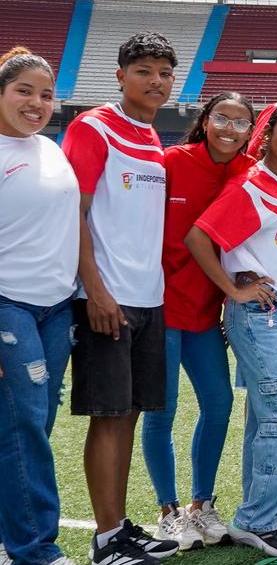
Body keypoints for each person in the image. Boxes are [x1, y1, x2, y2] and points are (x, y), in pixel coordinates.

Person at [62, 32, 182, 565]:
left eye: (164, 73)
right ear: (119, 75)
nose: (155, 81)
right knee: (109, 417)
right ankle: (107, 540)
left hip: (148, 296)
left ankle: (119, 528)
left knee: (129, 414)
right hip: (106, 297)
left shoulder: (153, 137)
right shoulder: (93, 127)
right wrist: (95, 288)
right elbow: (76, 215)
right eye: (143, 71)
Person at [186, 102, 277, 558]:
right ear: (266, 134)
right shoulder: (254, 185)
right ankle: (257, 520)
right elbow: (199, 237)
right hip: (260, 314)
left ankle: (267, 513)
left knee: (268, 417)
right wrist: (233, 289)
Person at [145, 92, 255, 552]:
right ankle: (168, 511)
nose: (230, 129)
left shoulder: (248, 170)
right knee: (162, 409)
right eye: (222, 118)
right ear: (206, 120)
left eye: (241, 122)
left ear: (252, 130)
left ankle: (201, 505)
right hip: (162, 306)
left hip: (207, 312)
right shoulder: (173, 161)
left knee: (218, 403)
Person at [0, 46, 78, 565]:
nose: (36, 103)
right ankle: (34, 549)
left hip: (57, 306)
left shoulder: (51, 148)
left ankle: (12, 536)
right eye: (23, 91)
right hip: (10, 305)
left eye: (46, 94)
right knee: (25, 425)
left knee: (33, 423)